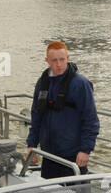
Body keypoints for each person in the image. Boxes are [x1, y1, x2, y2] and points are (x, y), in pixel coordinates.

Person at [26, 41, 100, 180]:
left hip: (73, 155)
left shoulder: (80, 84)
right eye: (54, 60)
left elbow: (91, 119)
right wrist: (32, 145)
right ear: (47, 61)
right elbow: (36, 116)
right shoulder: (42, 83)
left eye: (62, 59)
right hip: (49, 155)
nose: (59, 64)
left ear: (68, 58)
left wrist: (85, 150)